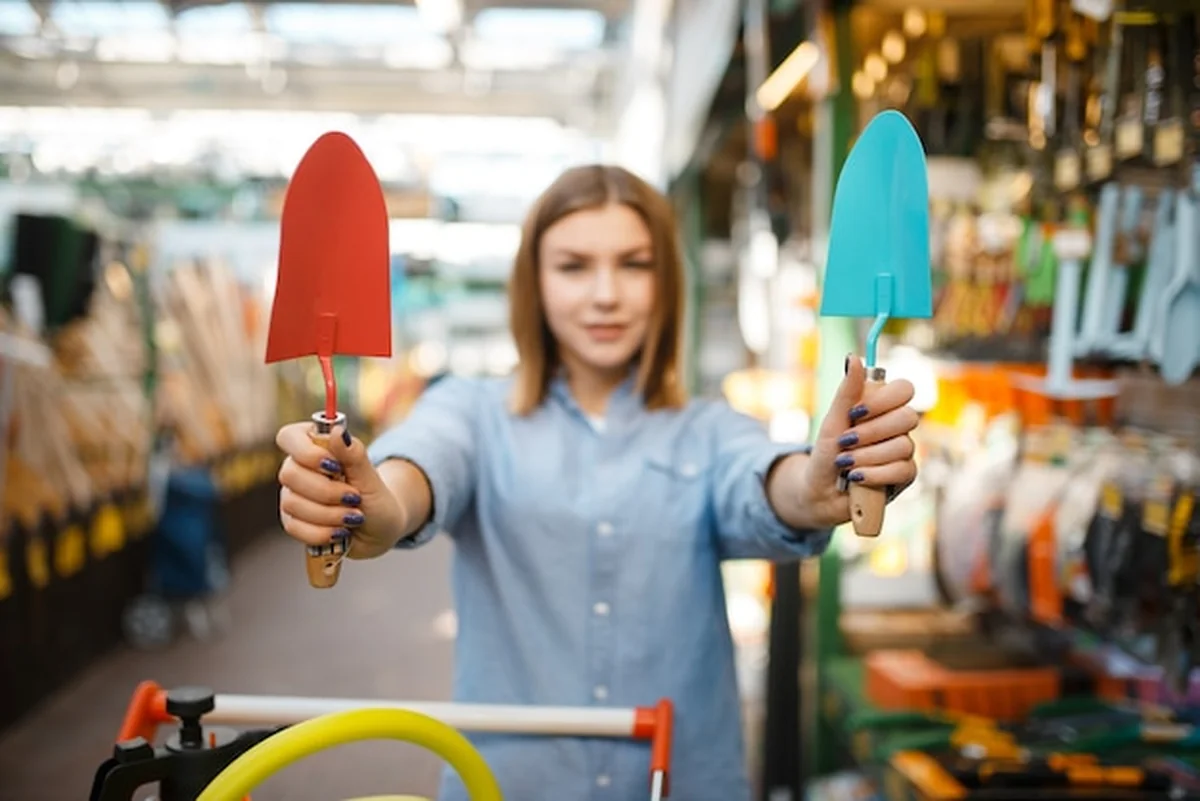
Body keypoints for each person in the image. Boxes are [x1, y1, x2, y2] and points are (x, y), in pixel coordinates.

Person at [274, 165, 919, 801]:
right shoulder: (470, 412)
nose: (606, 294)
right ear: (534, 282)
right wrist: (378, 508)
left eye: (635, 265)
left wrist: (813, 486)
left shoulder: (709, 429)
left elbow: (764, 482)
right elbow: (418, 469)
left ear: (667, 282)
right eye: (574, 266)